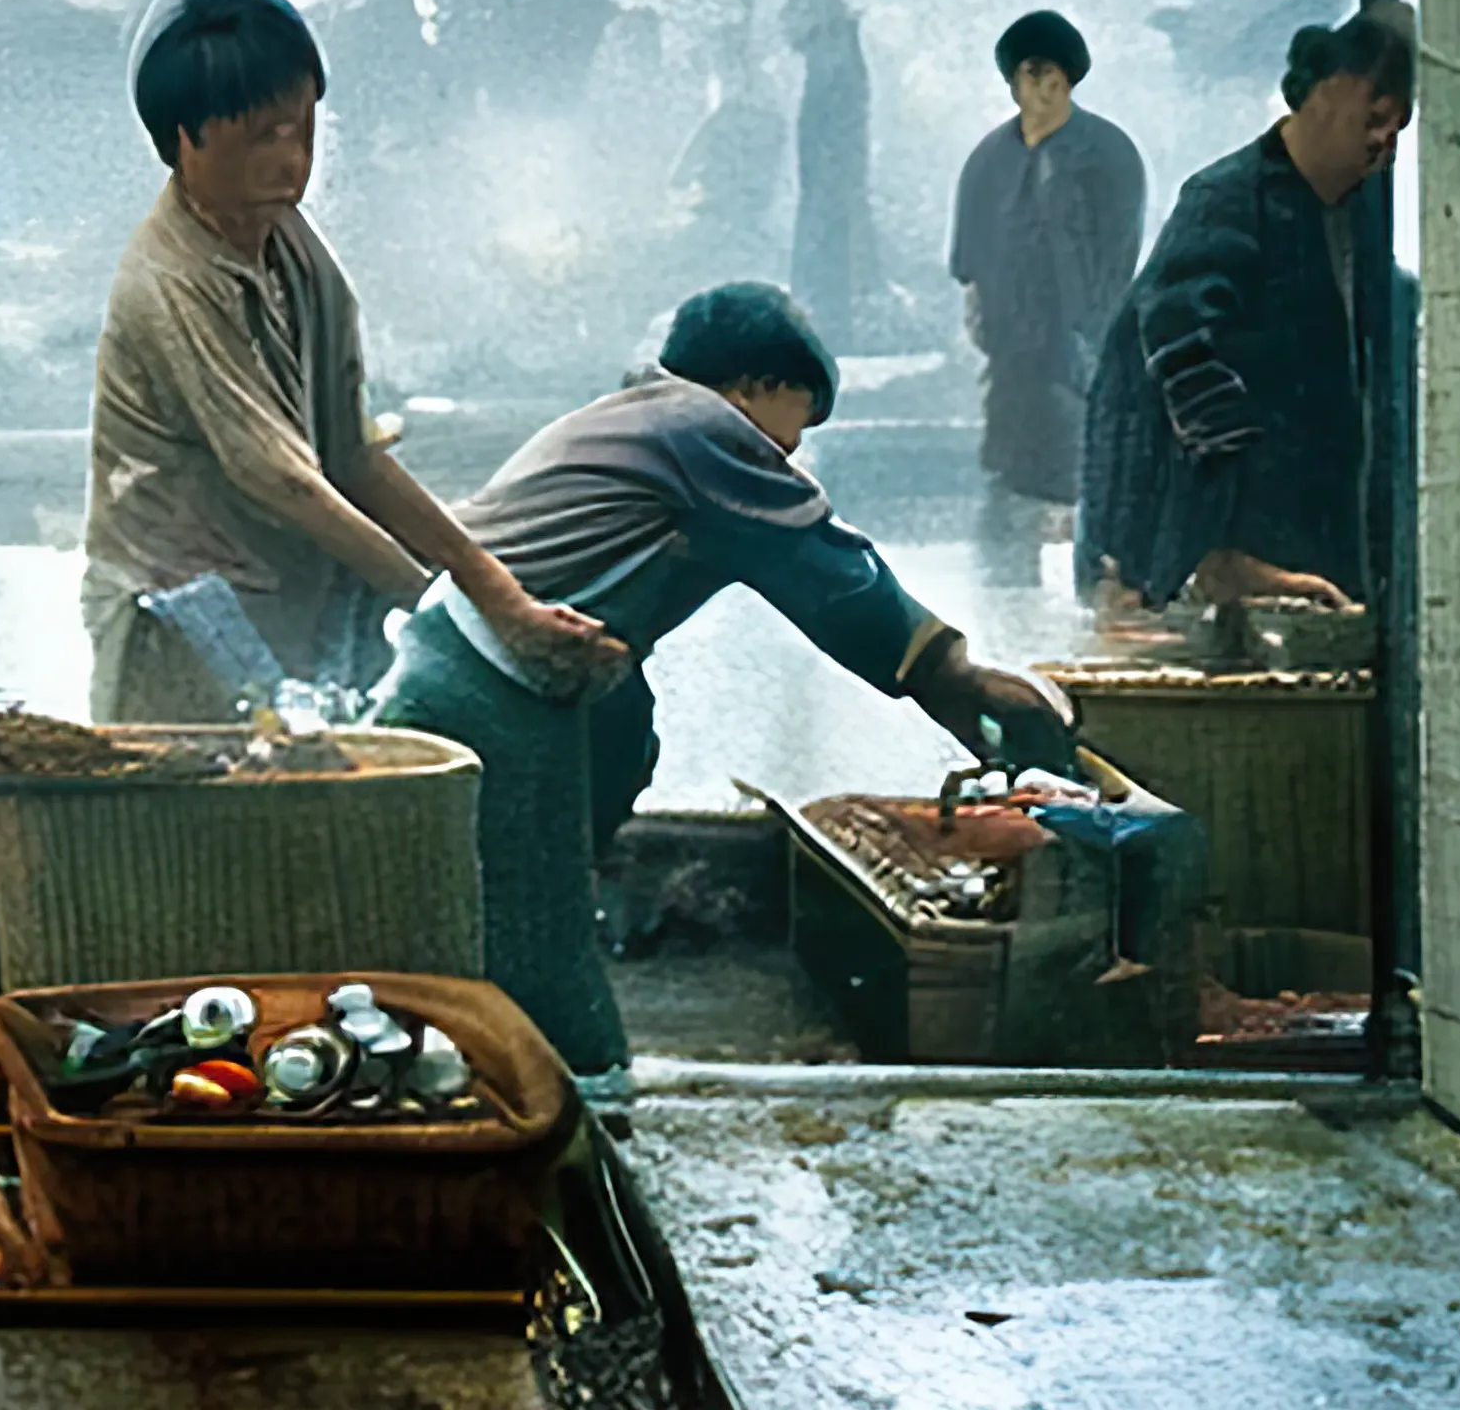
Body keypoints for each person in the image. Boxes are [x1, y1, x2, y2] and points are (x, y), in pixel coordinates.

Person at [375, 283, 1077, 1074]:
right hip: (492, 683)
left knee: (516, 885)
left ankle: (489, 1080)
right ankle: (578, 1113)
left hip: (457, 660)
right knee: (541, 944)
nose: (793, 452)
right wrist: (960, 675)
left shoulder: (632, 419)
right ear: (758, 386)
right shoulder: (704, 427)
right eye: (798, 423)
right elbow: (834, 575)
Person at [79, 0, 610, 722]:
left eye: (301, 127)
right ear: (184, 139)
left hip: (296, 601)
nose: (290, 157)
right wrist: (454, 615)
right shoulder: (170, 280)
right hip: (182, 622)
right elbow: (286, 479)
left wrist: (494, 588)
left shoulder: (291, 246)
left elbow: (351, 452)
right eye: (260, 134)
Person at [1079, 7, 1417, 612]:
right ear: (1322, 94)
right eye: (1374, 117)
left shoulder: (1360, 215)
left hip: (1312, 541)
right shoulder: (1229, 199)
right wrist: (1214, 544)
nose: (1383, 143)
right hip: (1211, 555)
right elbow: (1179, 350)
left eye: (1398, 127)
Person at [947, 9, 1147, 505]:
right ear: (1013, 81)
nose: (1045, 88)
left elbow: (1118, 253)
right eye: (1033, 74)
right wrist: (978, 309)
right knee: (1008, 470)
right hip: (1009, 341)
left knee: (1079, 462)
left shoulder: (1109, 152)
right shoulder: (989, 157)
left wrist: (1095, 326)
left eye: (1056, 76)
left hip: (1075, 337)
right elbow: (968, 250)